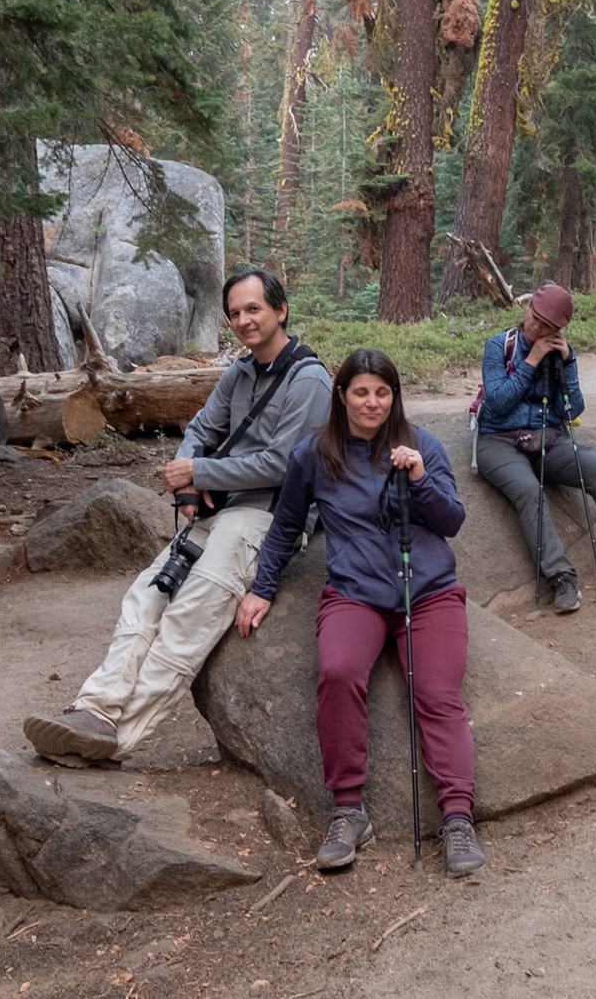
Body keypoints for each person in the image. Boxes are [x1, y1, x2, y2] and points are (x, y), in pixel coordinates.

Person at [23, 268, 333, 764]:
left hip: (267, 518)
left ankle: (117, 740)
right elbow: (200, 429)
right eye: (234, 313)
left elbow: (284, 464)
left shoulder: (309, 381)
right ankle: (94, 711)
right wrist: (189, 482)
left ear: (281, 311)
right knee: (146, 595)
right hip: (219, 508)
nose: (243, 320)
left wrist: (202, 472)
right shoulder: (240, 372)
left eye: (253, 309)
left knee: (188, 613)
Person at [235, 349, 485, 877]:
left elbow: (452, 521)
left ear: (394, 397)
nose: (372, 403)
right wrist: (262, 588)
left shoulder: (423, 446)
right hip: (356, 593)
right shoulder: (315, 455)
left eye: (382, 392)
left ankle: (458, 818)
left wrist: (419, 478)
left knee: (437, 695)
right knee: (338, 672)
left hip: (429, 593)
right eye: (361, 392)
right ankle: (349, 810)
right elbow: (284, 527)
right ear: (342, 395)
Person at [474, 284, 596, 612]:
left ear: (559, 329)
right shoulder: (499, 346)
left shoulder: (561, 354)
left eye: (546, 325)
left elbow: (573, 410)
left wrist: (567, 362)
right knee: (529, 490)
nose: (535, 326)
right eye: (533, 317)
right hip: (498, 441)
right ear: (527, 309)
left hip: (547, 439)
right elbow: (496, 404)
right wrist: (531, 361)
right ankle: (561, 577)